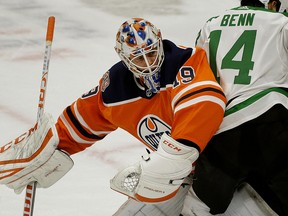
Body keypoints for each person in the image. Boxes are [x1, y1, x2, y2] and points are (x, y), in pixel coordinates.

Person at [0, 18, 226, 215]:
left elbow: (205, 104)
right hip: (174, 179)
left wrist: (173, 158)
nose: (148, 63)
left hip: (224, 169)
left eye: (151, 52)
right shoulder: (115, 90)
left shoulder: (184, 61)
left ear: (159, 43)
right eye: (139, 58)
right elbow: (82, 121)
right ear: (123, 58)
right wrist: (50, 147)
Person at [185, 0, 288, 215]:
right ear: (270, 3)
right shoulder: (281, 22)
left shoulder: (211, 25)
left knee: (199, 208)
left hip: (222, 135)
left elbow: (197, 82)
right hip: (273, 126)